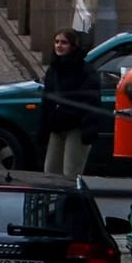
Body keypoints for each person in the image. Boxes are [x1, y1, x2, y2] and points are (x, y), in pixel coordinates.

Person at [40, 27, 102, 177]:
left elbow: (91, 102)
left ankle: (70, 200)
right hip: (57, 126)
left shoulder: (85, 71)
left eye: (64, 42)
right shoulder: (53, 69)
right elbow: (47, 99)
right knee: (50, 171)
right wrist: (44, 126)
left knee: (71, 172)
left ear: (73, 46)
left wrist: (88, 130)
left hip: (76, 127)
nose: (59, 46)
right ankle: (54, 200)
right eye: (56, 42)